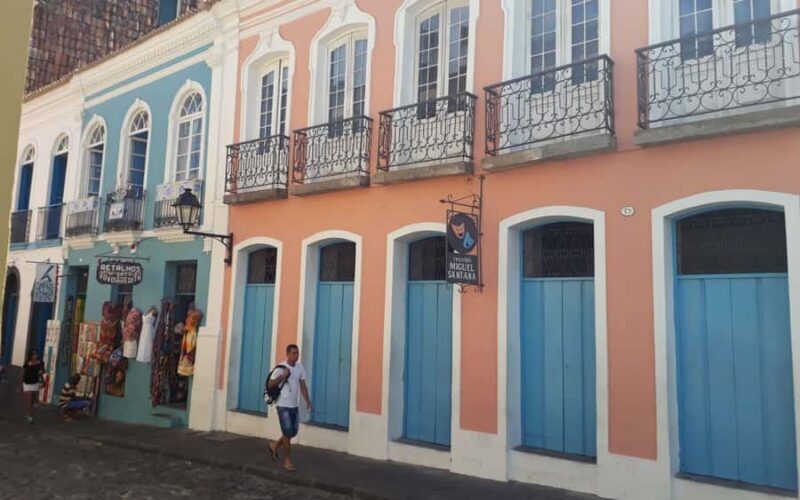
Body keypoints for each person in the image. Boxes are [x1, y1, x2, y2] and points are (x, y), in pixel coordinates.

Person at [267, 344, 312, 472]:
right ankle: (287, 460)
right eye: (293, 353)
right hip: (283, 405)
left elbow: (302, 385)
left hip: (294, 405)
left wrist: (308, 401)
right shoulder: (281, 368)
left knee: (292, 432)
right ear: (287, 354)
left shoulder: (299, 367)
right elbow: (270, 384)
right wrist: (283, 376)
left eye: (297, 353)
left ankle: (274, 445)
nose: (295, 356)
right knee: (287, 433)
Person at [21, 349, 44, 424]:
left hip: (35, 383)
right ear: (31, 356)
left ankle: (29, 414)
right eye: (34, 355)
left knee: (32, 400)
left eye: (36, 354)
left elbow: (41, 373)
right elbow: (23, 374)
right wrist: (19, 385)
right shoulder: (27, 363)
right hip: (27, 383)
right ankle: (29, 416)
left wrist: (43, 381)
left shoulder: (39, 363)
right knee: (29, 400)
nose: (35, 356)